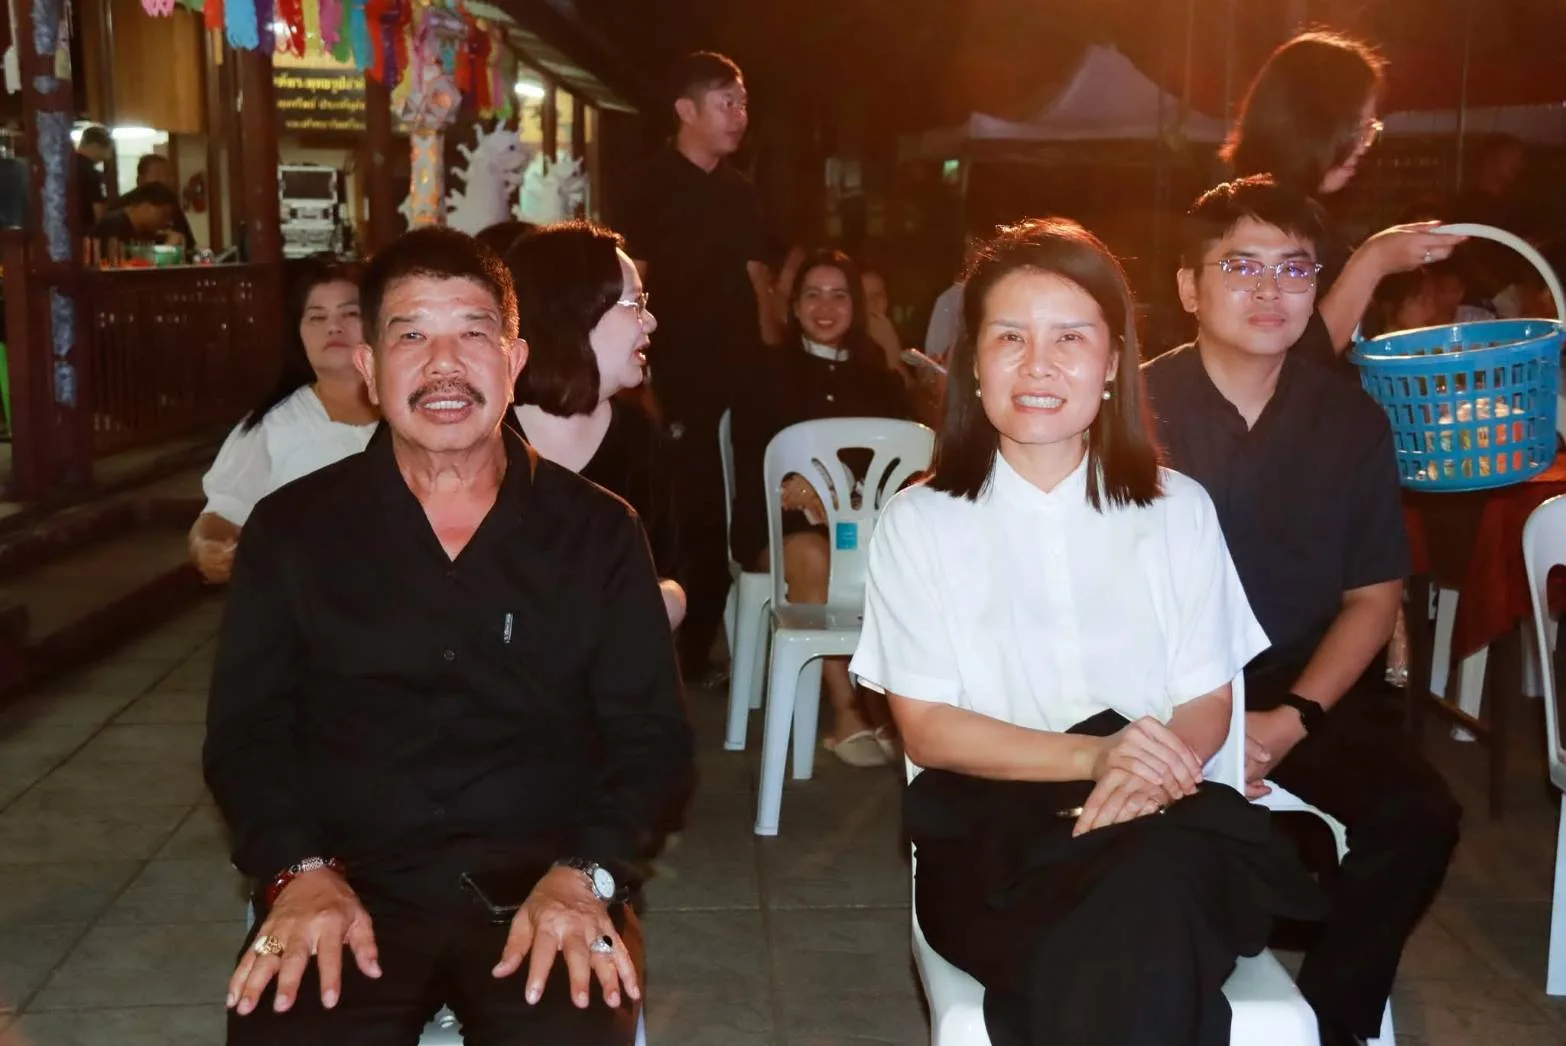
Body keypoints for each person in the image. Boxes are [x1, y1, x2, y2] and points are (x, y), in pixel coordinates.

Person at [204, 226, 693, 1046]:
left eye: (472, 333)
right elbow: (245, 734)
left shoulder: (599, 532)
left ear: (514, 360)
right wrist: (298, 870)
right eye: (411, 336)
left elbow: (651, 737)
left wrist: (588, 873)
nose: (444, 365)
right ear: (369, 367)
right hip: (349, 881)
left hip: (542, 880)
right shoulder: (292, 531)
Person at [849, 218, 1322, 1046]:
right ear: (972, 361)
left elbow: (1207, 700)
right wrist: (1097, 758)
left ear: (1112, 363)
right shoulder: (920, 521)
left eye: (1070, 337)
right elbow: (927, 727)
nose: (1038, 365)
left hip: (1164, 816)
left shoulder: (1178, 510)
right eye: (1010, 337)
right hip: (994, 838)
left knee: (1146, 886)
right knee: (1137, 924)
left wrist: (1144, 774)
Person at [1142, 176, 1462, 1046]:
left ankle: (1326, 1026)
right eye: (1240, 265)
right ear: (1189, 288)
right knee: (1160, 847)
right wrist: (1201, 727)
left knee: (1419, 817)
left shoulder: (1350, 419)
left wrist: (1291, 720)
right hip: (1157, 680)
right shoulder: (1130, 409)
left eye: (1293, 269)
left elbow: (1373, 596)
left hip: (1301, 681)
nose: (1269, 289)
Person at [613, 51, 779, 683]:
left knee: (745, 508)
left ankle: (723, 645)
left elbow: (758, 281)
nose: (739, 116)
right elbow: (632, 284)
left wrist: (772, 360)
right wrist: (640, 378)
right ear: (686, 109)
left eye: (743, 103)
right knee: (688, 506)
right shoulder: (647, 186)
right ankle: (675, 654)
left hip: (743, 373)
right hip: (676, 374)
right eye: (725, 103)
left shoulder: (741, 192)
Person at [731, 248, 911, 766]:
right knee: (813, 555)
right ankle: (847, 709)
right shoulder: (764, 373)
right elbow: (752, 461)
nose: (825, 308)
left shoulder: (882, 381)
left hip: (864, 526)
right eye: (813, 295)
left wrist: (836, 490)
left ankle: (904, 708)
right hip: (780, 527)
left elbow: (906, 463)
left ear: (857, 305)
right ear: (794, 305)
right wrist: (793, 484)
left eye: (839, 295)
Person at [1223, 29, 1464, 360]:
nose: (1364, 146)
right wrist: (1373, 261)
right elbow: (1291, 361)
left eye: (1370, 130)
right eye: (1357, 129)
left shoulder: (1298, 211)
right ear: (1313, 124)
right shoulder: (1256, 219)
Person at [506, 220, 687, 629]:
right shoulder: (481, 436)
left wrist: (665, 601)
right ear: (576, 311)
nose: (650, 321)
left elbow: (669, 574)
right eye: (635, 304)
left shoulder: (641, 441)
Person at [189, 256, 377, 584]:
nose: (333, 327)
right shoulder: (273, 426)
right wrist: (207, 548)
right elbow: (223, 513)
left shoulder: (415, 412)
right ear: (298, 334)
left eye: (350, 313)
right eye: (316, 317)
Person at [90, 181, 181, 253]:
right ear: (146, 206)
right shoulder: (113, 224)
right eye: (164, 214)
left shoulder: (148, 232)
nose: (166, 221)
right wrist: (168, 249)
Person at [135, 152, 197, 248]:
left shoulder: (173, 205)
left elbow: (189, 244)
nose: (164, 180)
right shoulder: (126, 206)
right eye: (158, 175)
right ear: (141, 179)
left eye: (167, 175)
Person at [74, 124, 111, 229]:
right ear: (95, 146)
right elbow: (99, 211)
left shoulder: (62, 168)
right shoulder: (93, 174)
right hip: (86, 231)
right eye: (107, 149)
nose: (107, 156)